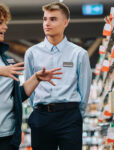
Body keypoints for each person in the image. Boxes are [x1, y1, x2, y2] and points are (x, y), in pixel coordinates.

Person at [25, 2, 92, 150]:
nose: (47, 23)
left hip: (70, 117)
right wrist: (38, 107)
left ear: (66, 22)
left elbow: (84, 89)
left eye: (53, 19)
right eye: (44, 19)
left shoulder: (79, 54)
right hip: (42, 117)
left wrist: (76, 116)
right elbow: (29, 89)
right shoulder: (32, 53)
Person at [0, 4, 62, 150]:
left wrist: (36, 78)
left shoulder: (6, 59)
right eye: (0, 23)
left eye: (4, 23)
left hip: (7, 137)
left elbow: (16, 96)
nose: (5, 27)